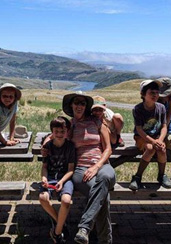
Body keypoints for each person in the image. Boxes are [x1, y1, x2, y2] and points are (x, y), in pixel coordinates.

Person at [62, 91, 116, 244]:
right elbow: (57, 139)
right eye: (76, 103)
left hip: (103, 165)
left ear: (86, 107)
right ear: (71, 105)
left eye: (82, 103)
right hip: (80, 169)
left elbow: (108, 149)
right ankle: (105, 241)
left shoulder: (97, 122)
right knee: (102, 195)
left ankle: (84, 227)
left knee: (104, 178)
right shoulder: (70, 124)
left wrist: (97, 166)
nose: (79, 106)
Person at [129, 79, 171, 191]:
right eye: (151, 93)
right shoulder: (138, 109)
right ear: (143, 94)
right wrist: (153, 142)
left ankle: (162, 175)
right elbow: (139, 130)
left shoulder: (161, 107)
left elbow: (164, 126)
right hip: (142, 137)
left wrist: (161, 140)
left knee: (162, 149)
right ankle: (137, 176)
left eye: (157, 92)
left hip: (157, 137)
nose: (155, 95)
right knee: (150, 148)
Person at [39, 116, 75, 244]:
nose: (59, 134)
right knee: (43, 198)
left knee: (66, 201)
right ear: (52, 132)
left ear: (67, 132)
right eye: (56, 132)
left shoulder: (70, 147)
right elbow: (44, 167)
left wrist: (62, 181)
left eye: (62, 132)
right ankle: (61, 224)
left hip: (64, 178)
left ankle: (57, 232)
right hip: (50, 177)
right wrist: (43, 178)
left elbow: (71, 170)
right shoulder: (48, 146)